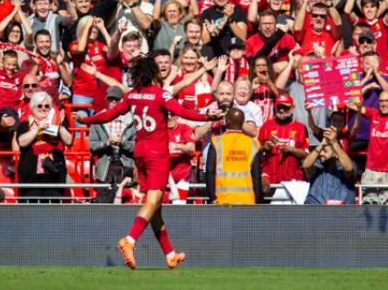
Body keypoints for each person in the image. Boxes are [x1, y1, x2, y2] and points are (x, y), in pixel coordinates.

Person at [79, 56, 223, 270]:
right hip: (157, 154)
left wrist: (86, 120)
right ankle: (129, 240)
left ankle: (170, 254)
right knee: (154, 199)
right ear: (153, 72)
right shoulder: (160, 94)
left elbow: (109, 115)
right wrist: (207, 118)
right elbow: (182, 112)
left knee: (155, 209)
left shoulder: (132, 95)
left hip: (139, 153)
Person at [16, 91, 72, 203]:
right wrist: (38, 129)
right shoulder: (25, 125)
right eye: (39, 106)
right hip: (31, 179)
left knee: (52, 209)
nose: (43, 108)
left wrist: (60, 126)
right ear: (32, 108)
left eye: (47, 106)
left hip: (54, 178)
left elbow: (69, 141)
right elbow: (22, 142)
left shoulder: (58, 124)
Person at [205, 107, 263, 205]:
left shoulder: (216, 142)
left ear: (227, 122)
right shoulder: (253, 144)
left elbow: (210, 171)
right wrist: (257, 200)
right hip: (247, 200)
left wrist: (212, 197)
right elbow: (256, 176)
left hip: (222, 200)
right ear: (242, 122)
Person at [89, 86, 136, 202]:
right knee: (104, 202)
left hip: (126, 166)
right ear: (106, 100)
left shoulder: (133, 120)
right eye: (111, 99)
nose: (114, 102)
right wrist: (106, 143)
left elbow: (138, 146)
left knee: (126, 200)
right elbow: (92, 146)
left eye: (117, 99)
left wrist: (123, 143)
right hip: (105, 167)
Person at [303, 128, 357, 205]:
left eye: (325, 151)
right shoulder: (317, 166)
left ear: (335, 154)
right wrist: (322, 144)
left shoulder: (344, 166)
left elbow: (349, 169)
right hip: (314, 209)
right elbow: (306, 165)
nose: (321, 154)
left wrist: (334, 142)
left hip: (341, 210)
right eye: (321, 151)